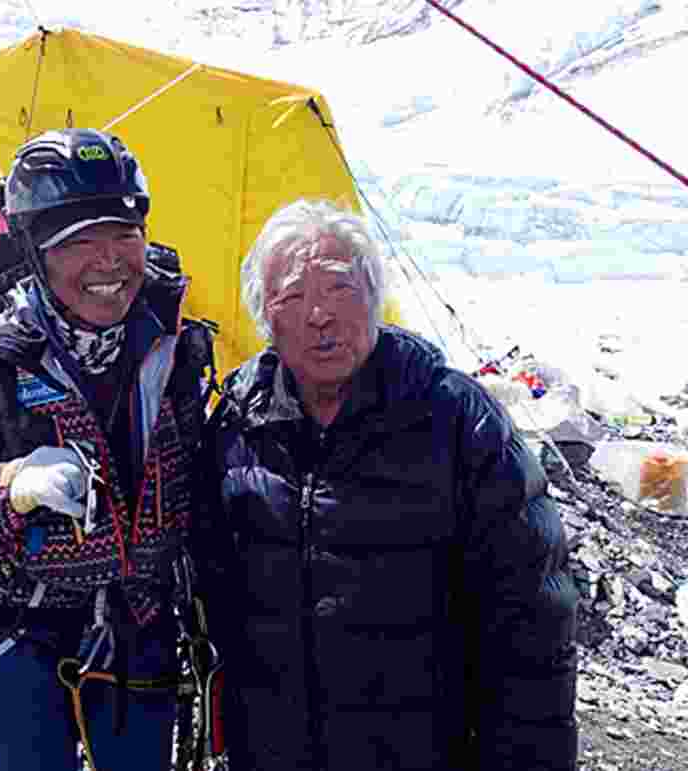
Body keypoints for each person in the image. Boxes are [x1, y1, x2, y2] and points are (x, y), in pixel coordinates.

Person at [197, 198, 579, 770]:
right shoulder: (237, 427)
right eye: (293, 297)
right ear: (265, 320)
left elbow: (532, 620)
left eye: (339, 289)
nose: (319, 315)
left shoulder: (456, 422)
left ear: (375, 298)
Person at [0, 127, 209, 771]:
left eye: (124, 236)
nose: (110, 261)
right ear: (34, 251)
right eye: (80, 242)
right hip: (20, 632)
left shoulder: (176, 351)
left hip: (141, 628)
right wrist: (8, 488)